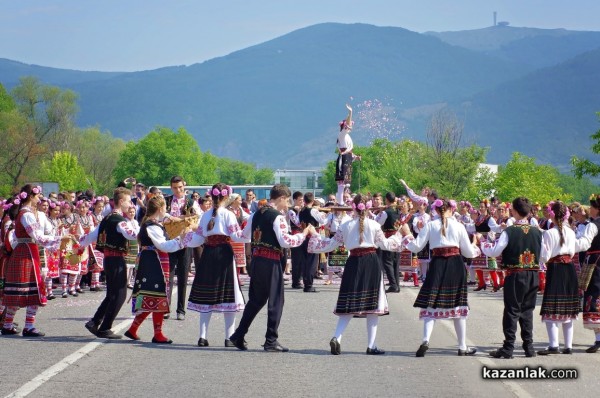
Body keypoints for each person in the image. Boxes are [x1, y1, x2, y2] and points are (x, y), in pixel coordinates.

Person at [309, 194, 404, 355]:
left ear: (353, 207)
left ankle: (337, 337)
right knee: (374, 305)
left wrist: (315, 237)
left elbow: (331, 244)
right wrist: (400, 234)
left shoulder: (345, 226)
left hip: (353, 261)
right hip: (371, 262)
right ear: (367, 209)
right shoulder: (374, 224)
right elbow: (386, 245)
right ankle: (371, 345)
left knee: (349, 302)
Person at [227, 184, 310, 352]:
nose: (287, 205)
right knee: (276, 301)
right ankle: (271, 340)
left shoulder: (256, 214)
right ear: (280, 198)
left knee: (256, 300)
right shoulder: (277, 217)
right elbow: (285, 241)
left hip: (257, 261)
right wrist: (304, 234)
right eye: (286, 200)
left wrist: (228, 232)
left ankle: (238, 335)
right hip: (271, 261)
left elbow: (243, 236)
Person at [401, 198, 480, 357]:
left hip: (437, 264)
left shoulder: (431, 225)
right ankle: (462, 346)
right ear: (452, 208)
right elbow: (468, 253)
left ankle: (425, 340)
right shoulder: (458, 226)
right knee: (458, 304)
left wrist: (407, 235)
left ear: (436, 211)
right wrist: (476, 243)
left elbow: (417, 246)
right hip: (455, 266)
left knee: (432, 302)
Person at [1, 185, 73, 337]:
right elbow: (38, 236)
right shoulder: (27, 215)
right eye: (38, 196)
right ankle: (27, 326)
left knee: (21, 288)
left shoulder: (25, 213)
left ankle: (8, 324)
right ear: (30, 197)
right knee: (31, 288)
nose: (39, 198)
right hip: (26, 252)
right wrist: (60, 239)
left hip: (26, 251)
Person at [184, 184, 246, 347]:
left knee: (207, 294)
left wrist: (183, 238)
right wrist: (250, 234)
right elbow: (236, 235)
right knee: (229, 294)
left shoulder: (204, 216)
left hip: (208, 254)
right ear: (226, 197)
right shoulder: (228, 214)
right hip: (224, 254)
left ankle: (202, 337)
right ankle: (229, 337)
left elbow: (197, 239)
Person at [480, 197, 542, 358]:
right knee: (527, 310)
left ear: (514, 211)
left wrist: (482, 243)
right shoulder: (538, 231)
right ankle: (529, 347)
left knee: (512, 310)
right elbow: (545, 256)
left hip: (515, 275)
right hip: (533, 274)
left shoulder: (510, 231)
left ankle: (508, 348)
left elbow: (494, 251)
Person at [124, 196, 187, 344]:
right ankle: (157, 334)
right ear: (159, 209)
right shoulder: (152, 226)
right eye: (165, 207)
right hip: (153, 263)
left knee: (152, 297)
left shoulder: (152, 223)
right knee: (156, 296)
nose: (167, 210)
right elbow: (163, 246)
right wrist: (181, 239)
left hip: (153, 261)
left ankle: (134, 329)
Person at [79, 187, 140, 339]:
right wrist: (147, 232)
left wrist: (78, 245)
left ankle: (94, 322)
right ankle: (105, 327)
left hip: (109, 259)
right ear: (121, 202)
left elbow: (90, 236)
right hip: (116, 259)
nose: (130, 205)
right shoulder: (119, 220)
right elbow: (131, 234)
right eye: (128, 201)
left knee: (112, 294)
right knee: (120, 294)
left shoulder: (106, 218)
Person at [537, 201, 581, 355]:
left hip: (555, 269)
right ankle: (568, 346)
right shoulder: (571, 232)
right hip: (569, 269)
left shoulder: (549, 233)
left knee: (552, 306)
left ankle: (554, 345)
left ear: (552, 214)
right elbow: (573, 251)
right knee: (567, 308)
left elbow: (544, 257)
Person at [164, 175, 200, 320]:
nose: (178, 190)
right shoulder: (166, 201)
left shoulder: (191, 202)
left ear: (184, 186)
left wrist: (180, 220)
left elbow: (198, 218)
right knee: (169, 276)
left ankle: (181, 309)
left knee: (183, 277)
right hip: (170, 242)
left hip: (186, 243)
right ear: (171, 187)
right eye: (175, 187)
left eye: (180, 187)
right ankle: (166, 308)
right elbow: (162, 217)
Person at [572, 193, 600, 353]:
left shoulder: (593, 225)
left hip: (596, 264)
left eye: (592, 207)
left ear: (596, 209)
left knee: (595, 296)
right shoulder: (591, 224)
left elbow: (584, 243)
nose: (590, 210)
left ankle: (598, 339)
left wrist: (567, 245)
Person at [297, 192, 327, 293]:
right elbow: (323, 221)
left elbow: (297, 222)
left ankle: (306, 282)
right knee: (312, 261)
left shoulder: (300, 211)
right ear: (313, 201)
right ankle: (308, 285)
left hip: (304, 237)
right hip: (312, 237)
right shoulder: (313, 210)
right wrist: (323, 214)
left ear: (304, 200)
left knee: (305, 261)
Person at [334, 104, 361, 205]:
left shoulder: (347, 137)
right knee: (341, 182)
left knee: (345, 182)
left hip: (347, 158)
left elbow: (349, 151)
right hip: (343, 158)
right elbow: (345, 150)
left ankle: (343, 201)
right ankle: (340, 202)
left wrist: (355, 157)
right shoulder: (342, 135)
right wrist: (350, 113)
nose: (350, 127)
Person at [375, 192, 402, 292]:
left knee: (387, 261)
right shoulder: (399, 211)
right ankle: (396, 285)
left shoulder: (386, 212)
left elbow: (377, 223)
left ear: (386, 199)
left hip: (389, 237)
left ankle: (393, 285)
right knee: (396, 262)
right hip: (398, 237)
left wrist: (380, 212)